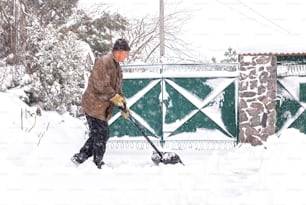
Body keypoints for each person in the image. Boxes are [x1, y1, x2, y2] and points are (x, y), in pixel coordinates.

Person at [71, 38, 130, 169]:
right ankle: (97, 163)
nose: (126, 57)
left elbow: (118, 89)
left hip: (101, 107)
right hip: (93, 104)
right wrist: (115, 98)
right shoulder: (104, 62)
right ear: (118, 51)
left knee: (97, 134)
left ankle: (79, 158)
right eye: (126, 53)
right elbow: (100, 84)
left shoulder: (117, 68)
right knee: (102, 133)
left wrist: (123, 104)